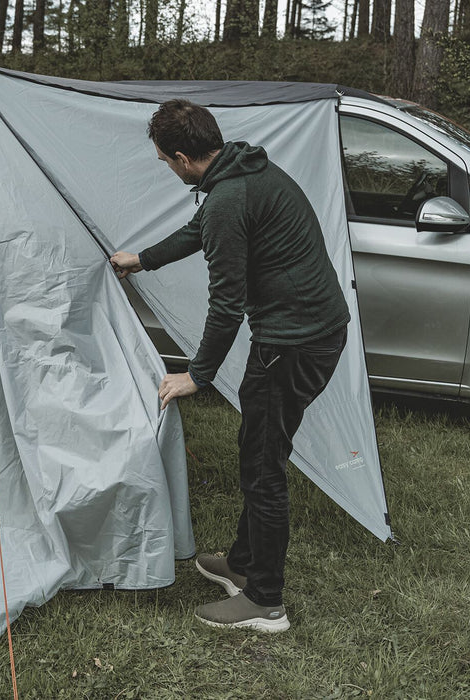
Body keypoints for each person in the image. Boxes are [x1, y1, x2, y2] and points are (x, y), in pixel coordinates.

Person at [110, 99, 350, 633]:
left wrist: (198, 374)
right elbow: (199, 231)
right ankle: (242, 564)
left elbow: (226, 303)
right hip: (317, 332)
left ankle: (265, 601)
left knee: (264, 468)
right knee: (260, 449)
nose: (167, 169)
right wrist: (142, 258)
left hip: (292, 344)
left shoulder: (228, 198)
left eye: (164, 161)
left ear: (181, 157)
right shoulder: (243, 168)